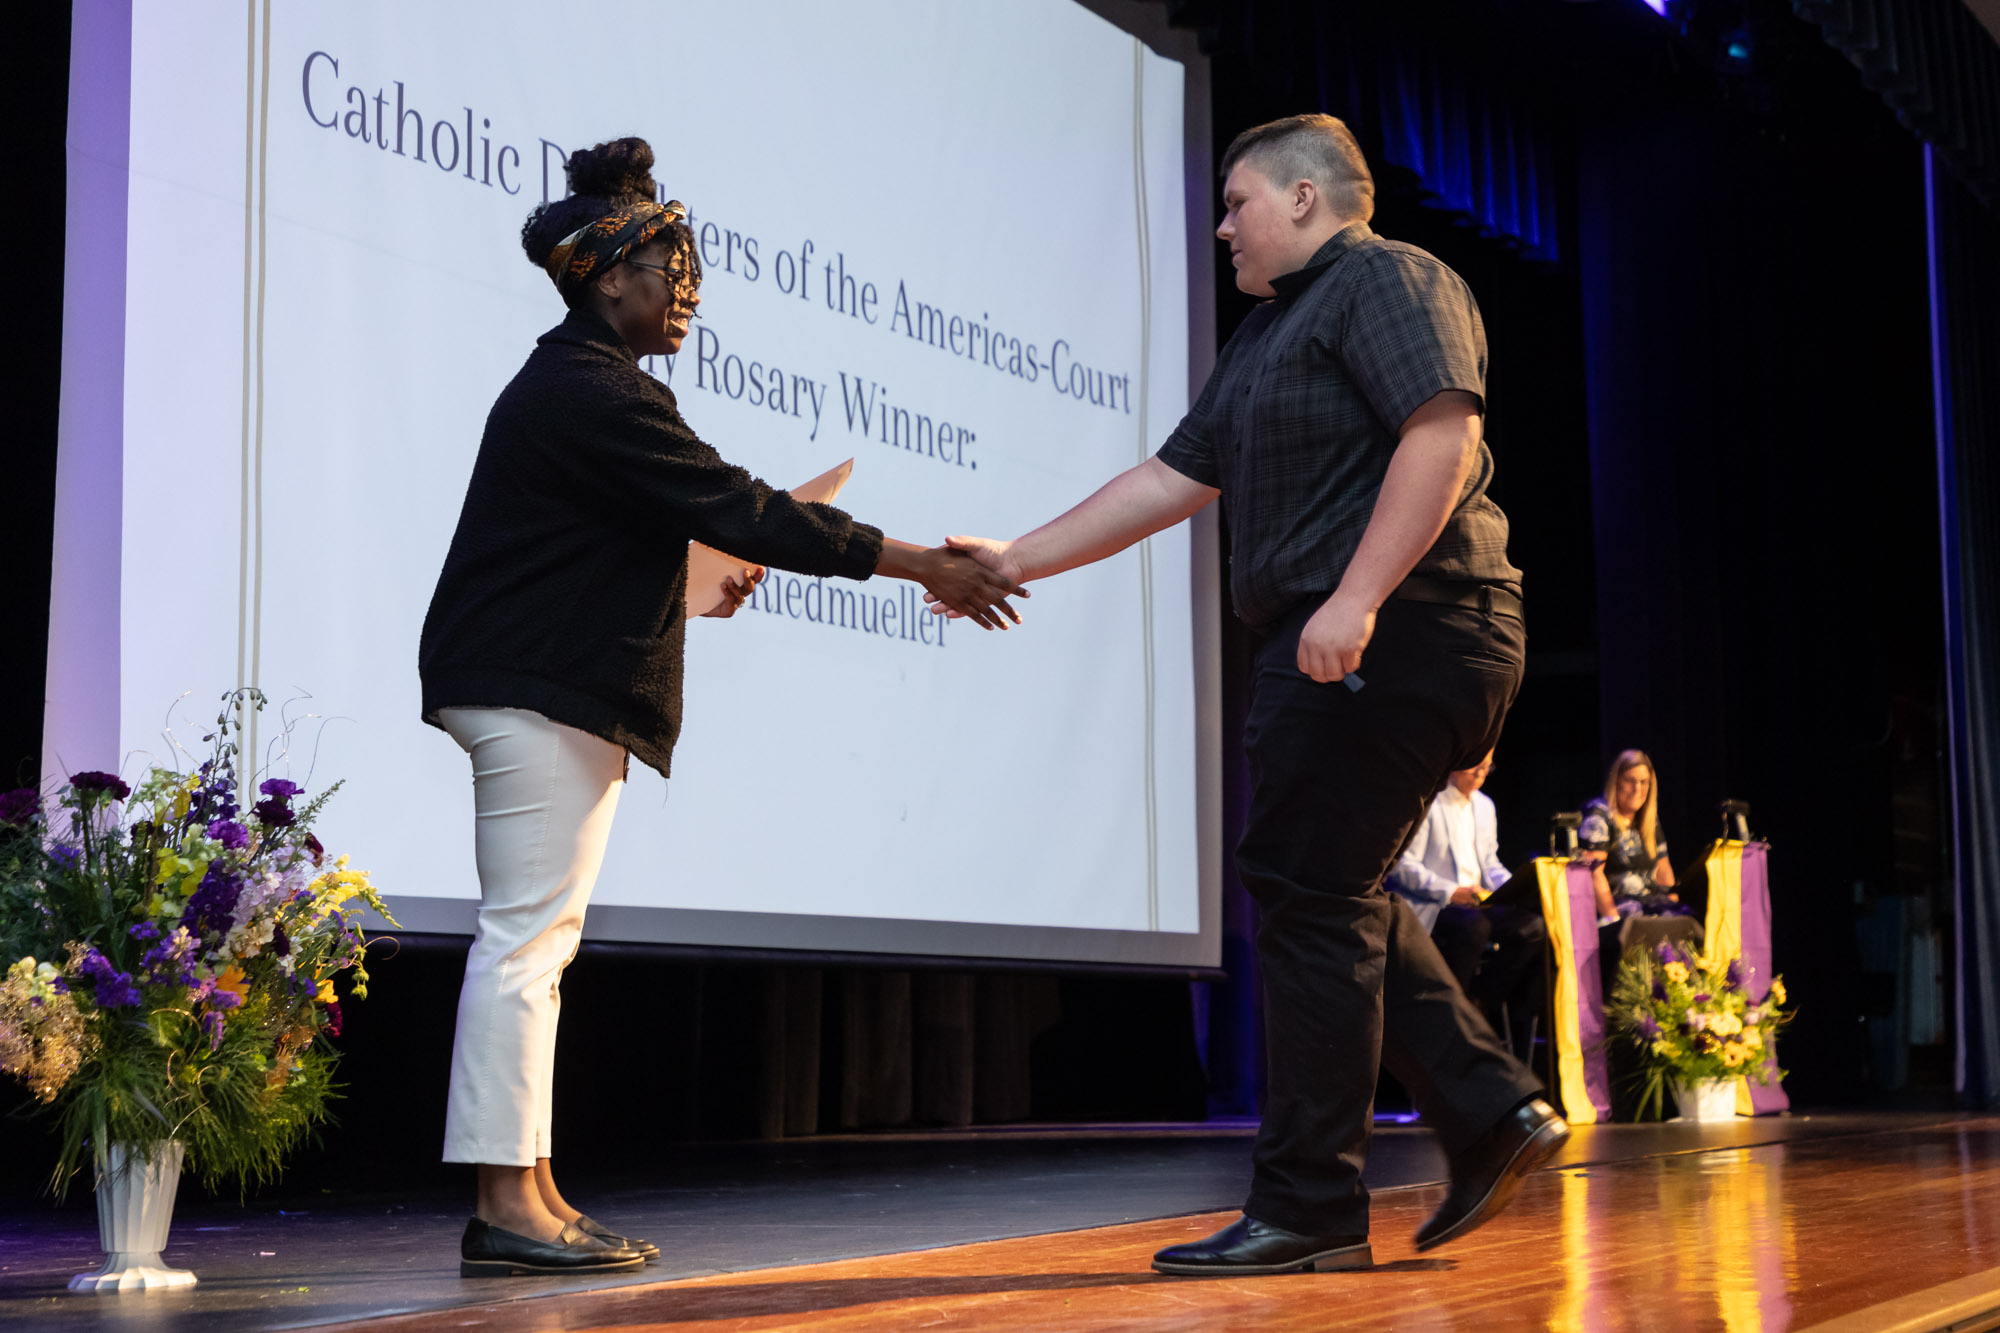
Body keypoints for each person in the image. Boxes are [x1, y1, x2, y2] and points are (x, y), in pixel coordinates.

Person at [938, 113, 1566, 1275]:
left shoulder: (1388, 276)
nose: (1221, 224)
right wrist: (1013, 558)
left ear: (1304, 197)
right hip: (1360, 635)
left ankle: (1316, 1200)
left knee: (1306, 889)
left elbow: (1440, 433)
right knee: (1319, 885)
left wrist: (1358, 596)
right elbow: (1170, 476)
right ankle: (1486, 1111)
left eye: (1234, 201)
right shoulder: (1265, 336)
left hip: (1406, 625)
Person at [417, 138, 1026, 1279]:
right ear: (608, 278)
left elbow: (621, 549)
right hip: (534, 694)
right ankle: (507, 1204)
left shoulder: (584, 389)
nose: (687, 286)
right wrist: (919, 564)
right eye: (669, 265)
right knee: (524, 944)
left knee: (539, 943)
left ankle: (533, 1191)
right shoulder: (592, 390)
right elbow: (746, 508)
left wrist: (689, 582)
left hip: (542, 685)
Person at [1388, 751, 1508, 991]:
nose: (1480, 773)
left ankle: (1486, 998)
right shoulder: (1428, 801)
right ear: (1456, 763)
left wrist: (1515, 888)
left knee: (1533, 927)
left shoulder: (1485, 806)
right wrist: (1453, 891)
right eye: (1476, 765)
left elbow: (1490, 863)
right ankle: (1453, 1002)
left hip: (1478, 902)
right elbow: (1402, 865)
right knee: (1474, 928)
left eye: (1487, 767)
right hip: (1437, 903)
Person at [1579, 749, 1677, 917]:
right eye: (1630, 781)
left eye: (1643, 782)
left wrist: (1674, 906)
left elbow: (1663, 868)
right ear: (1616, 781)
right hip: (1616, 909)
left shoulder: (1649, 819)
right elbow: (1593, 875)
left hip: (1650, 904)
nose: (1637, 789)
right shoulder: (1599, 816)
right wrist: (1614, 921)